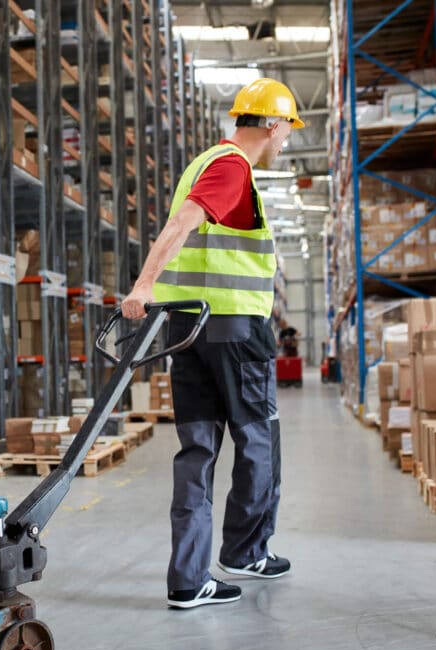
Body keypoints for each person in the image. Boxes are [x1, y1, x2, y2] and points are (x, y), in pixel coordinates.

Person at [121, 78, 303, 609]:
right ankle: (245, 552)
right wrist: (144, 283)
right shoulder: (231, 167)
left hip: (190, 329)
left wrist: (154, 290)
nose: (287, 139)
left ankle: (188, 578)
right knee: (258, 441)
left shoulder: (203, 162)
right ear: (271, 126)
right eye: (287, 129)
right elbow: (183, 222)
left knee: (197, 448)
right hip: (234, 332)